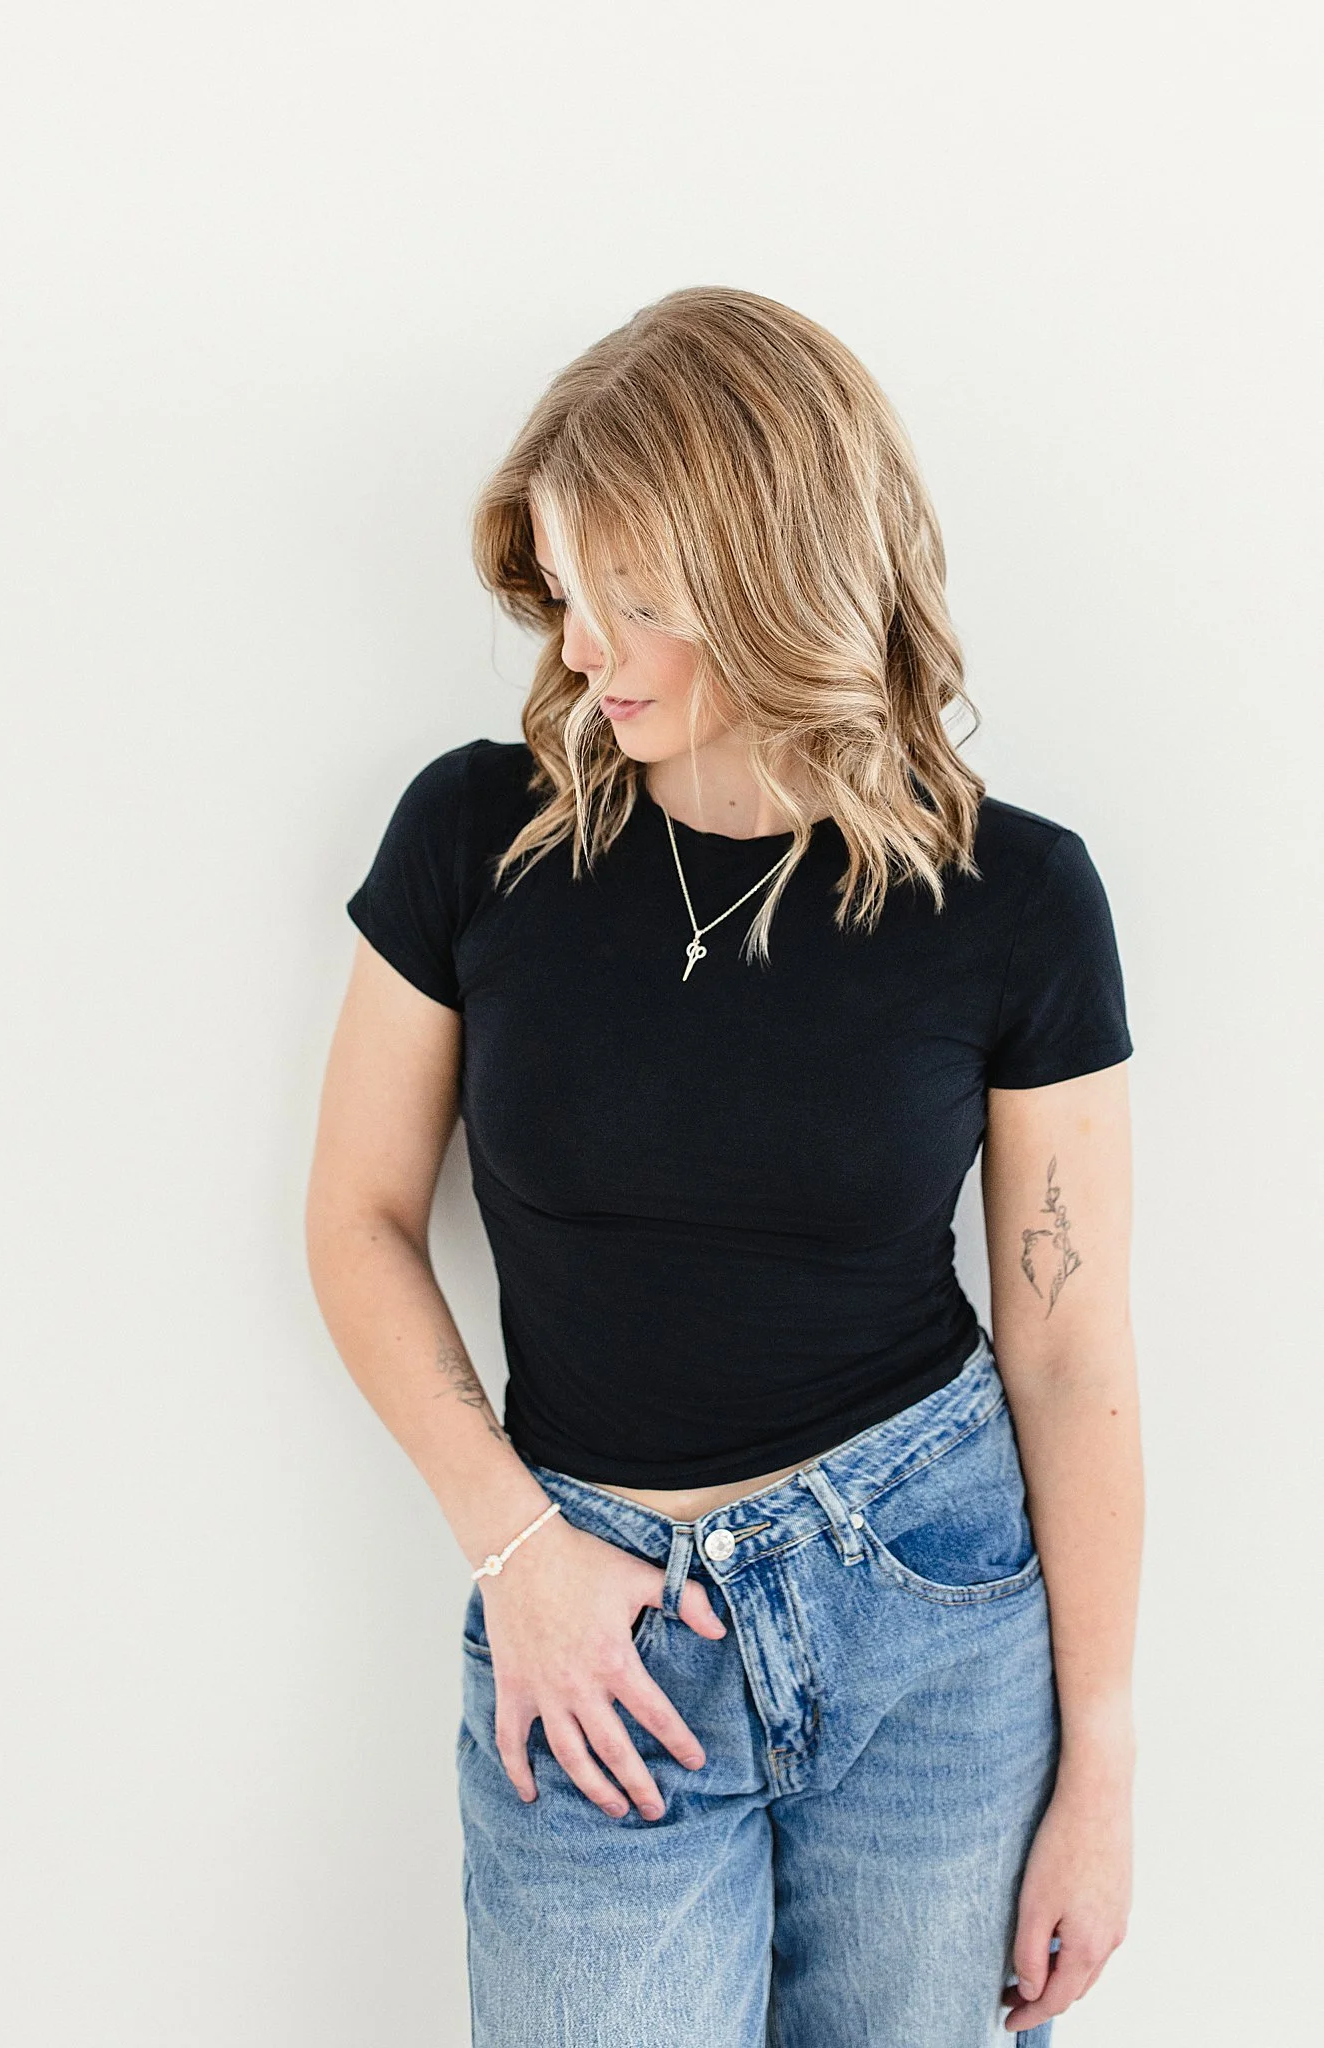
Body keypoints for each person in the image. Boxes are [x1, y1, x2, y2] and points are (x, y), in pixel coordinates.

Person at [305, 286, 1142, 2047]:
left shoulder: (1019, 903)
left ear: (781, 579)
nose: (589, 653)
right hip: (590, 1634)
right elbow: (358, 1221)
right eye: (563, 589)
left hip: (932, 1613)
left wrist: (1105, 1767)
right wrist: (512, 1545)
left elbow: (1068, 1350)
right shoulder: (475, 837)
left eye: (641, 602)